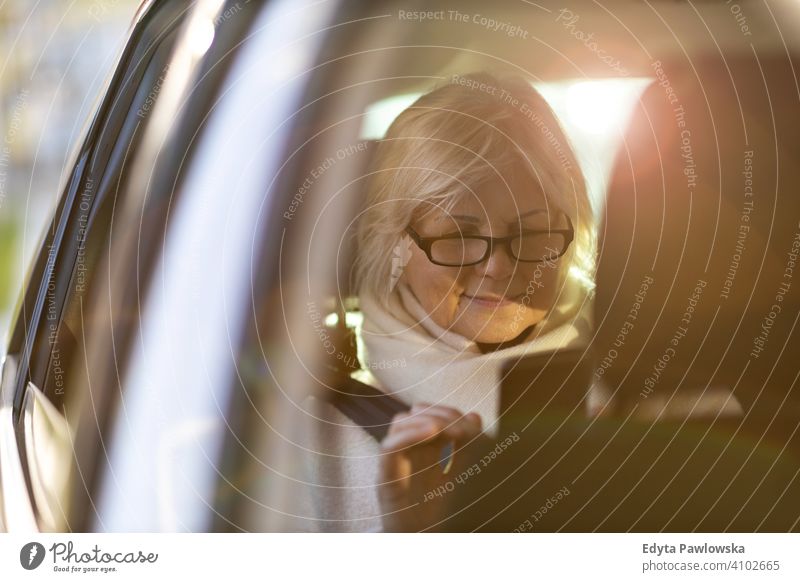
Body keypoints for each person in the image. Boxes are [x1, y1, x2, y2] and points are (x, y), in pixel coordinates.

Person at [299, 71, 600, 532]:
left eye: (532, 230)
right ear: (394, 244)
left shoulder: (645, 401)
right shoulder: (316, 447)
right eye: (458, 235)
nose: (498, 267)